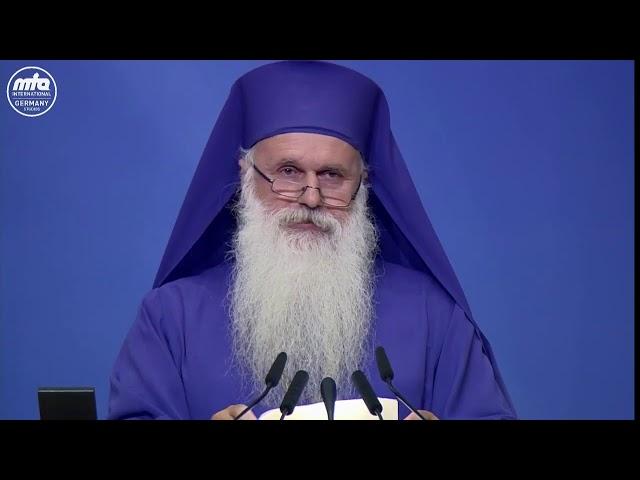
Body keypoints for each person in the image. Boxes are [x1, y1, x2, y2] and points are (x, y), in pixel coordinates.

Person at [108, 61, 517, 420]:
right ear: (246, 175)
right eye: (287, 171)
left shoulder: (434, 317)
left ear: (364, 184)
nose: (310, 197)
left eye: (332, 176)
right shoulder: (169, 318)